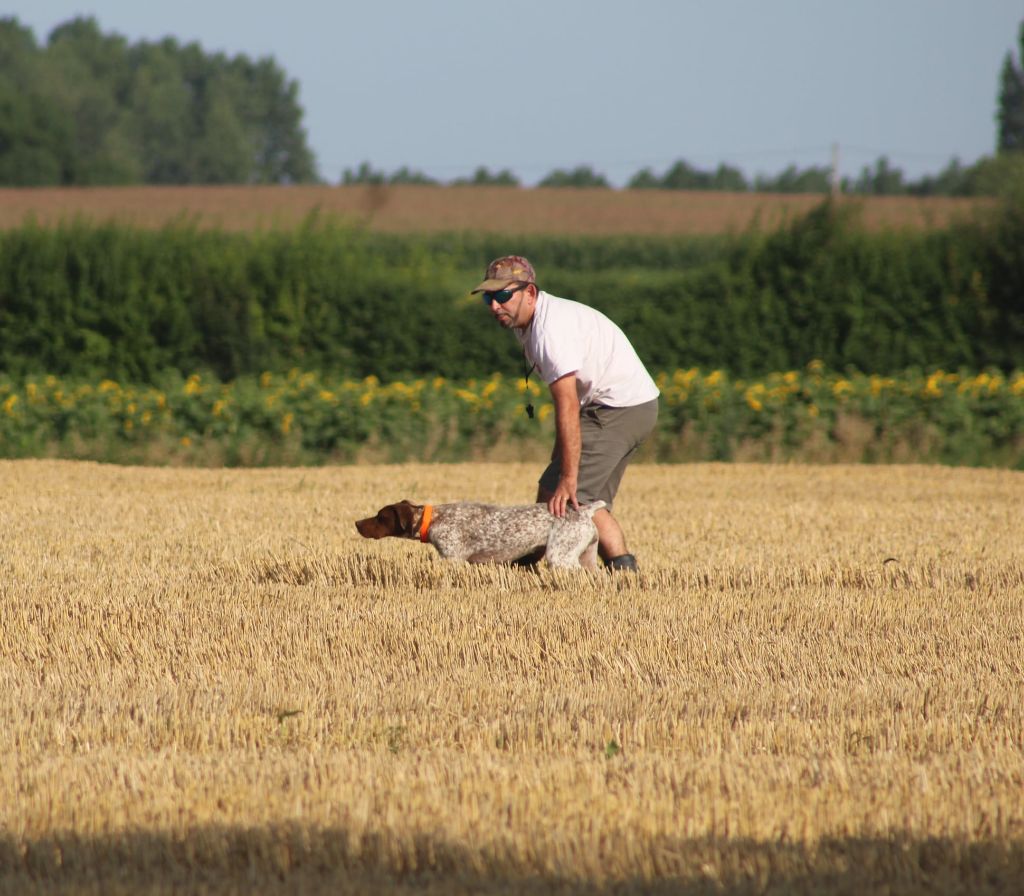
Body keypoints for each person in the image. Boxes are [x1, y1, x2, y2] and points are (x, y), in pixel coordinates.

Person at [471, 255, 659, 572]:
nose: (494, 305)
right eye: (489, 297)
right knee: (556, 492)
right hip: (625, 406)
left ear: (529, 292)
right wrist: (560, 459)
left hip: (617, 409)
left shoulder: (549, 331)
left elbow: (568, 404)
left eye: (503, 295)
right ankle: (605, 573)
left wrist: (569, 477)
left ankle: (617, 575)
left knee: (572, 501)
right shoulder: (529, 321)